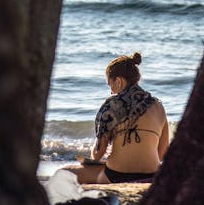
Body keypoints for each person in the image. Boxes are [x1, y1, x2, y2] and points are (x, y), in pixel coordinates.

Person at [68, 52, 169, 184]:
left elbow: (97, 155)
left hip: (117, 176)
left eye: (110, 85)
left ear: (119, 81)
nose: (111, 91)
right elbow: (162, 154)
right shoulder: (158, 106)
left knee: (65, 172)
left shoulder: (111, 105)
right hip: (152, 176)